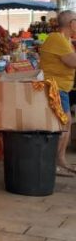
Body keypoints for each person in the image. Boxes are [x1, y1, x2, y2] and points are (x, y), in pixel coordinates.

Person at [39, 10, 76, 177]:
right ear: (71, 24)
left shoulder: (65, 40)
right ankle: (56, 162)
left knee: (65, 122)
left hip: (62, 87)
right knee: (64, 122)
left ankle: (59, 160)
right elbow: (72, 62)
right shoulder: (56, 39)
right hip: (56, 87)